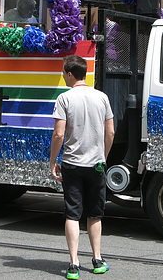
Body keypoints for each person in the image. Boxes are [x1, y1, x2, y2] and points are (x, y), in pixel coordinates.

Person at [50, 55, 115, 279]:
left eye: (63, 73)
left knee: (72, 214)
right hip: (96, 164)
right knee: (95, 214)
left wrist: (52, 162)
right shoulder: (102, 97)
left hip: (72, 164)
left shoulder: (64, 99)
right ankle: (97, 259)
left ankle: (73, 264)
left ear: (69, 74)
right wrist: (103, 157)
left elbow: (59, 134)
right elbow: (111, 132)